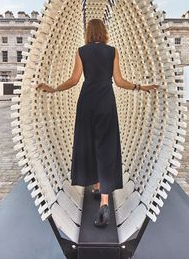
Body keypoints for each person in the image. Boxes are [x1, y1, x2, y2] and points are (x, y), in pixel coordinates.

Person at [35, 18, 159, 228]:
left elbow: (74, 80)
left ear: (88, 33)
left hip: (87, 101)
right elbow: (119, 81)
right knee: (105, 146)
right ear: (103, 32)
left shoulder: (82, 51)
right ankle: (103, 201)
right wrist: (141, 87)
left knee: (89, 143)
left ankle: (96, 185)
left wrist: (54, 89)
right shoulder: (112, 51)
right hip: (106, 101)